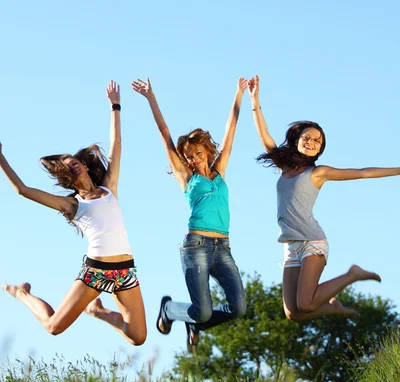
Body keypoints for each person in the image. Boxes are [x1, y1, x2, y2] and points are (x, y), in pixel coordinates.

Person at [1, 81, 146, 345]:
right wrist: (1, 160)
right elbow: (23, 190)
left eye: (76, 163)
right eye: (69, 168)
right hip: (96, 270)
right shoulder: (73, 204)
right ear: (67, 177)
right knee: (53, 327)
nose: (75, 167)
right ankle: (22, 293)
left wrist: (115, 106)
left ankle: (98, 311)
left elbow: (117, 144)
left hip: (126, 269)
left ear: (86, 166)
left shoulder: (109, 188)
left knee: (137, 337)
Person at [248, 74, 400, 321]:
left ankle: (352, 274)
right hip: (291, 245)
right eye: (307, 137)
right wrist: (254, 100)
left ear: (320, 149)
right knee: (293, 313)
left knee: (305, 303)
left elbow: (363, 173)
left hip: (312, 242)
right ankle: (334, 307)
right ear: (297, 140)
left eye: (317, 141)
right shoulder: (284, 168)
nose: (311, 142)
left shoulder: (317, 173)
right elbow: (264, 136)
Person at [132, 77, 247, 351]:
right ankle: (170, 310)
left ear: (207, 151)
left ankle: (192, 322)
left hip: (223, 247)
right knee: (204, 310)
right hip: (196, 246)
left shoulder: (219, 173)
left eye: (198, 153)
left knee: (238, 307)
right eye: (189, 156)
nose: (195, 158)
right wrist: (151, 98)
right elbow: (164, 134)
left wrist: (239, 94)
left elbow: (231, 129)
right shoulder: (187, 178)